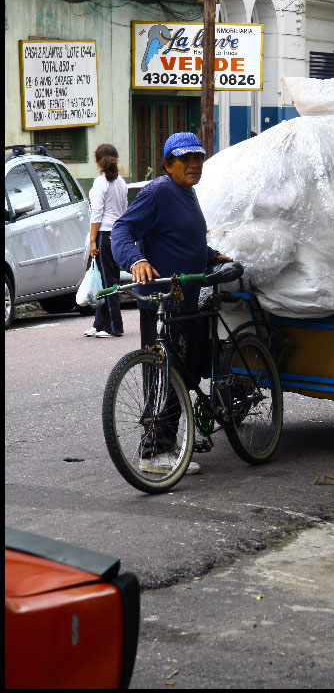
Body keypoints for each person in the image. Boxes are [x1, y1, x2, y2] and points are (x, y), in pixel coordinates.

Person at [111, 132, 232, 475]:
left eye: (198, 158)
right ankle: (155, 451)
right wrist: (135, 261)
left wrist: (210, 256)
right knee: (168, 377)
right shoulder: (159, 191)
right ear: (168, 164)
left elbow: (179, 238)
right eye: (185, 159)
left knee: (185, 373)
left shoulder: (186, 192)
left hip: (186, 300)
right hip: (164, 302)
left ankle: (169, 442)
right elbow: (121, 230)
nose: (194, 165)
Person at [84, 143, 128, 338]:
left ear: (97, 161)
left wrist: (93, 240)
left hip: (104, 235)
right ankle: (99, 323)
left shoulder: (100, 183)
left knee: (108, 282)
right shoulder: (122, 183)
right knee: (106, 280)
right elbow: (124, 210)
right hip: (117, 234)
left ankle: (114, 326)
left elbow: (97, 214)